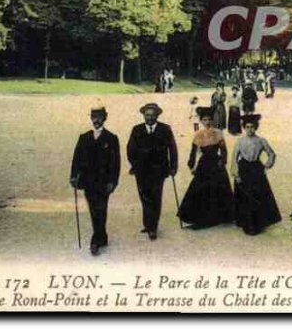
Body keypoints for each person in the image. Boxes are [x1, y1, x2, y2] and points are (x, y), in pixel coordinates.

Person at [70, 103, 120, 255]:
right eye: (94, 117)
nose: (96, 120)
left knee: (102, 209)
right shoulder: (84, 137)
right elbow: (76, 159)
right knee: (93, 209)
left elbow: (116, 162)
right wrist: (73, 176)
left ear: (105, 118)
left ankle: (96, 239)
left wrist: (113, 181)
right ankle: (101, 236)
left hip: (104, 183)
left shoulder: (111, 138)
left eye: (99, 117)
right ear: (91, 118)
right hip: (88, 181)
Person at [127, 103, 178, 240]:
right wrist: (135, 164)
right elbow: (130, 150)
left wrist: (173, 167)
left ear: (157, 115)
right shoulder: (136, 130)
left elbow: (172, 148)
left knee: (155, 197)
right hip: (141, 171)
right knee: (144, 197)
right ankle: (148, 224)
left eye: (152, 115)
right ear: (143, 115)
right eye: (147, 115)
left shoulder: (165, 129)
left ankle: (152, 227)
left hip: (159, 170)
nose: (149, 118)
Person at [178, 107, 235, 229]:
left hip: (216, 163)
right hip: (204, 164)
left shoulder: (218, 133)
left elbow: (224, 150)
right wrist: (191, 165)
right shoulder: (198, 135)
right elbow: (193, 152)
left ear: (212, 120)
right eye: (205, 120)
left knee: (218, 188)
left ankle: (220, 216)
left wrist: (223, 161)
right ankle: (202, 217)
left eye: (209, 119)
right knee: (201, 189)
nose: (207, 122)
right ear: (201, 121)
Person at [232, 115, 282, 235]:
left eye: (252, 127)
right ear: (244, 128)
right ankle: (246, 223)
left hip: (256, 169)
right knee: (244, 196)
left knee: (257, 195)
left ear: (256, 128)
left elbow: (272, 154)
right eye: (247, 127)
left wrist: (266, 165)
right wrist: (236, 174)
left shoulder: (261, 141)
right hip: (243, 168)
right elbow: (234, 158)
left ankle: (257, 223)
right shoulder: (240, 141)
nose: (250, 129)